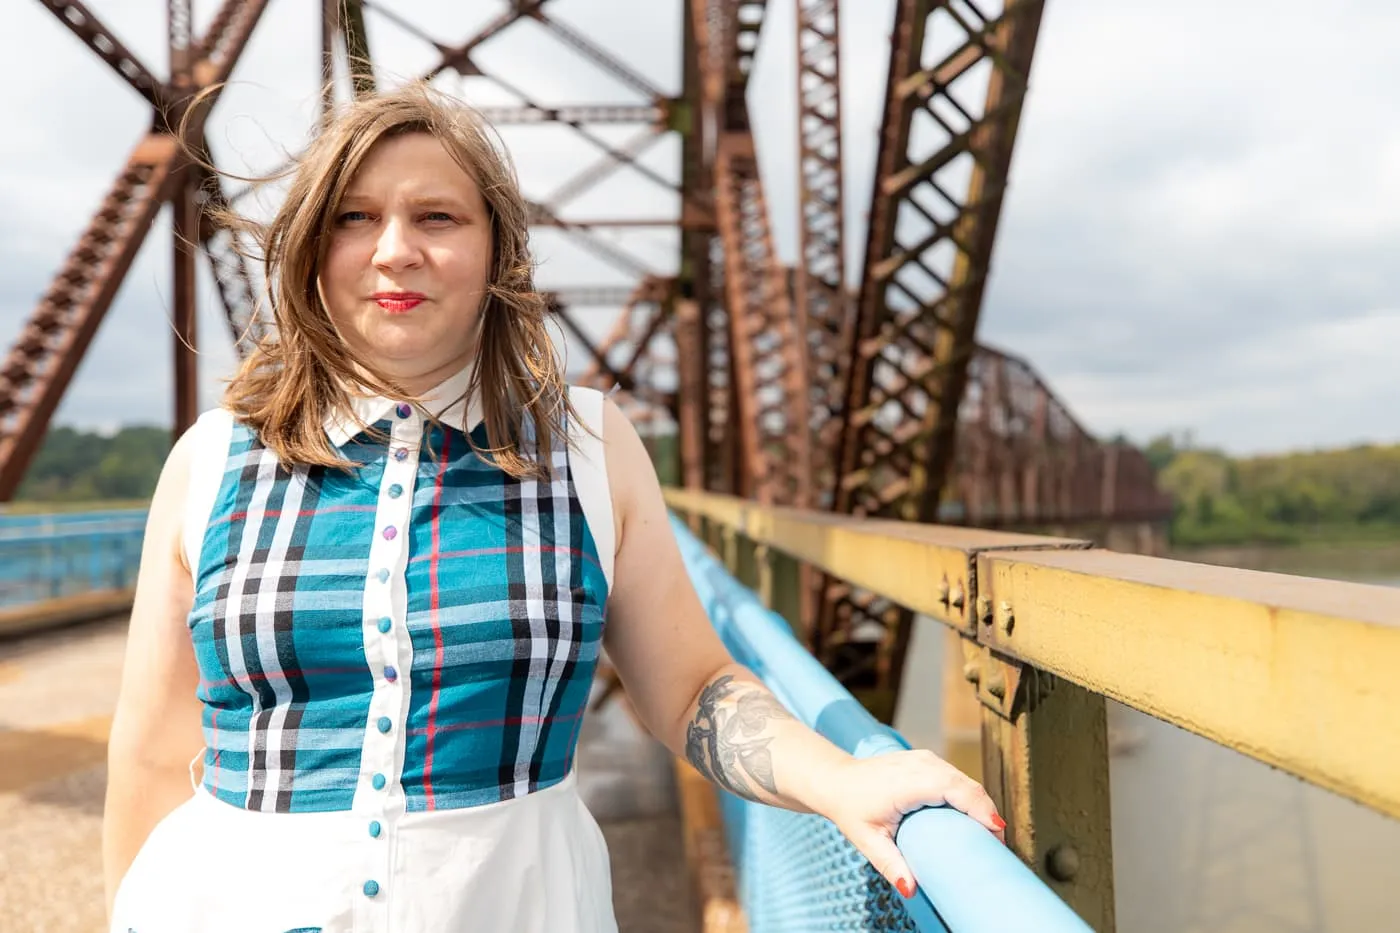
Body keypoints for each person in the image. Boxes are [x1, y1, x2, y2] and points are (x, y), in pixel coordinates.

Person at [101, 82, 1004, 933]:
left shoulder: (587, 449)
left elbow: (691, 687)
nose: (394, 250)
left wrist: (841, 778)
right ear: (311, 249)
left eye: (437, 217)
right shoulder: (213, 459)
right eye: (354, 218)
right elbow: (149, 754)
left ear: (497, 248)